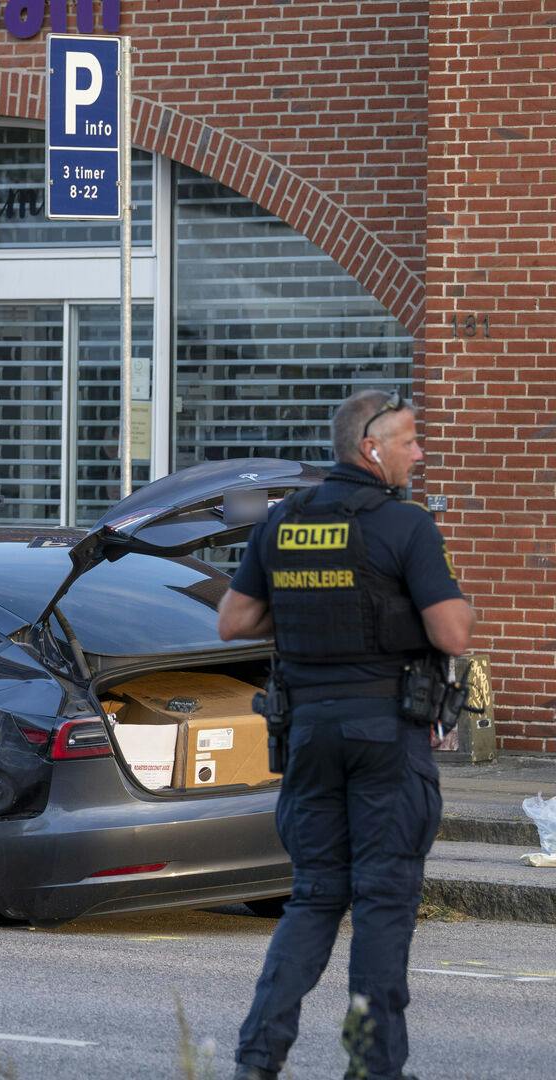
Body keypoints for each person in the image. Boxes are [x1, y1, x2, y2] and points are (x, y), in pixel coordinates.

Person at [218, 390, 477, 1080]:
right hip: (385, 737)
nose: (419, 453)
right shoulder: (406, 525)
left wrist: (312, 608)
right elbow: (452, 633)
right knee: (384, 902)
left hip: (309, 737)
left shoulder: (284, 520)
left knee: (313, 898)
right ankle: (372, 1066)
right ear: (372, 448)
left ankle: (257, 1059)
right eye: (410, 441)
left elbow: (233, 621)